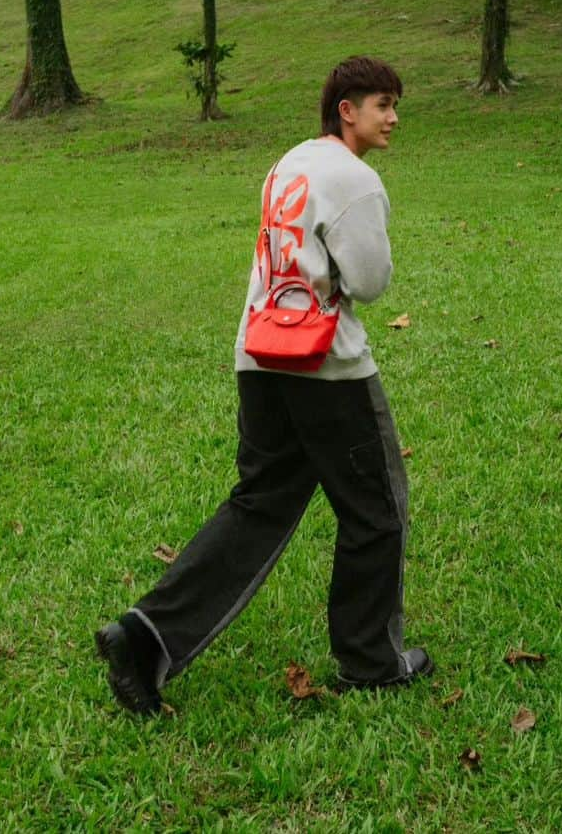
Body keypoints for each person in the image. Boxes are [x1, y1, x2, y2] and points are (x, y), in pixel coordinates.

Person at [95, 56, 432, 714]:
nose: (393, 118)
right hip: (326, 367)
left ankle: (143, 637)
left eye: (395, 106)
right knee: (378, 509)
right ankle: (370, 660)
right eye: (382, 104)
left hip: (261, 356)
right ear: (347, 110)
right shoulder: (355, 179)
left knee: (260, 506)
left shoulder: (290, 163)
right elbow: (368, 282)